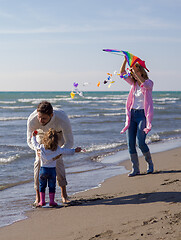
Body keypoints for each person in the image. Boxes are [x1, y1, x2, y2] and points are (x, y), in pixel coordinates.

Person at [27, 101, 74, 205]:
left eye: (44, 118)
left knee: (58, 161)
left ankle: (64, 195)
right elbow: (30, 140)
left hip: (57, 135)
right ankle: (38, 197)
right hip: (40, 135)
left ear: (51, 115)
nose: (40, 120)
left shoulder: (62, 119)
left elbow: (69, 142)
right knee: (38, 161)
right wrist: (38, 150)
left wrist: (59, 153)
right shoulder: (32, 120)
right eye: (39, 117)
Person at [120, 57, 154, 177]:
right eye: (133, 72)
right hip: (132, 115)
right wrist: (125, 60)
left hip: (142, 115)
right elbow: (122, 73)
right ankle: (135, 169)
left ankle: (150, 164)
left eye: (136, 71)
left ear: (141, 71)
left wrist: (135, 73)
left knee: (141, 142)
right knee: (130, 143)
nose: (133, 74)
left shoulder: (149, 83)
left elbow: (144, 84)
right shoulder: (133, 84)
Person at [31, 128, 81, 207]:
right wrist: (75, 150)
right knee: (51, 186)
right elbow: (67, 151)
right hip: (52, 171)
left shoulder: (41, 147)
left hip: (43, 170)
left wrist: (33, 136)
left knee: (42, 186)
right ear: (56, 140)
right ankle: (51, 201)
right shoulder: (57, 149)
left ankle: (42, 201)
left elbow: (34, 144)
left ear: (44, 139)